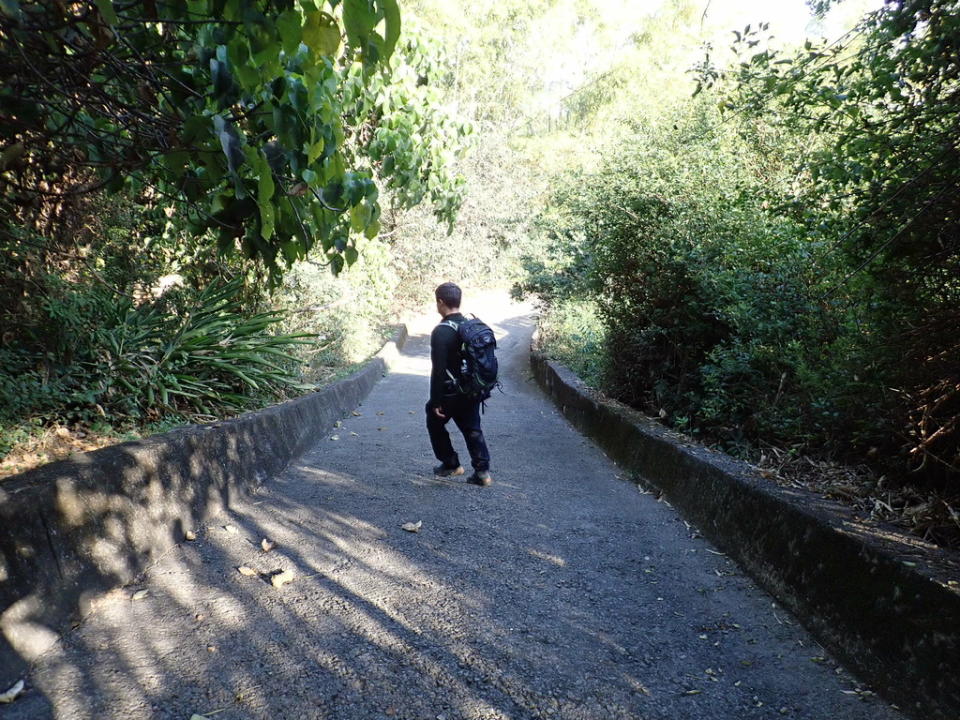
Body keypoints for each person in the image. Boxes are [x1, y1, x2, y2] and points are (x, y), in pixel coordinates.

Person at [426, 282, 492, 486]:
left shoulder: (441, 331)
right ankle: (482, 473)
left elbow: (438, 370)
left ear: (440, 302)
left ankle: (451, 464)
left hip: (449, 392)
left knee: (433, 419)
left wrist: (436, 400)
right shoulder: (469, 325)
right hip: (471, 388)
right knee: (472, 428)